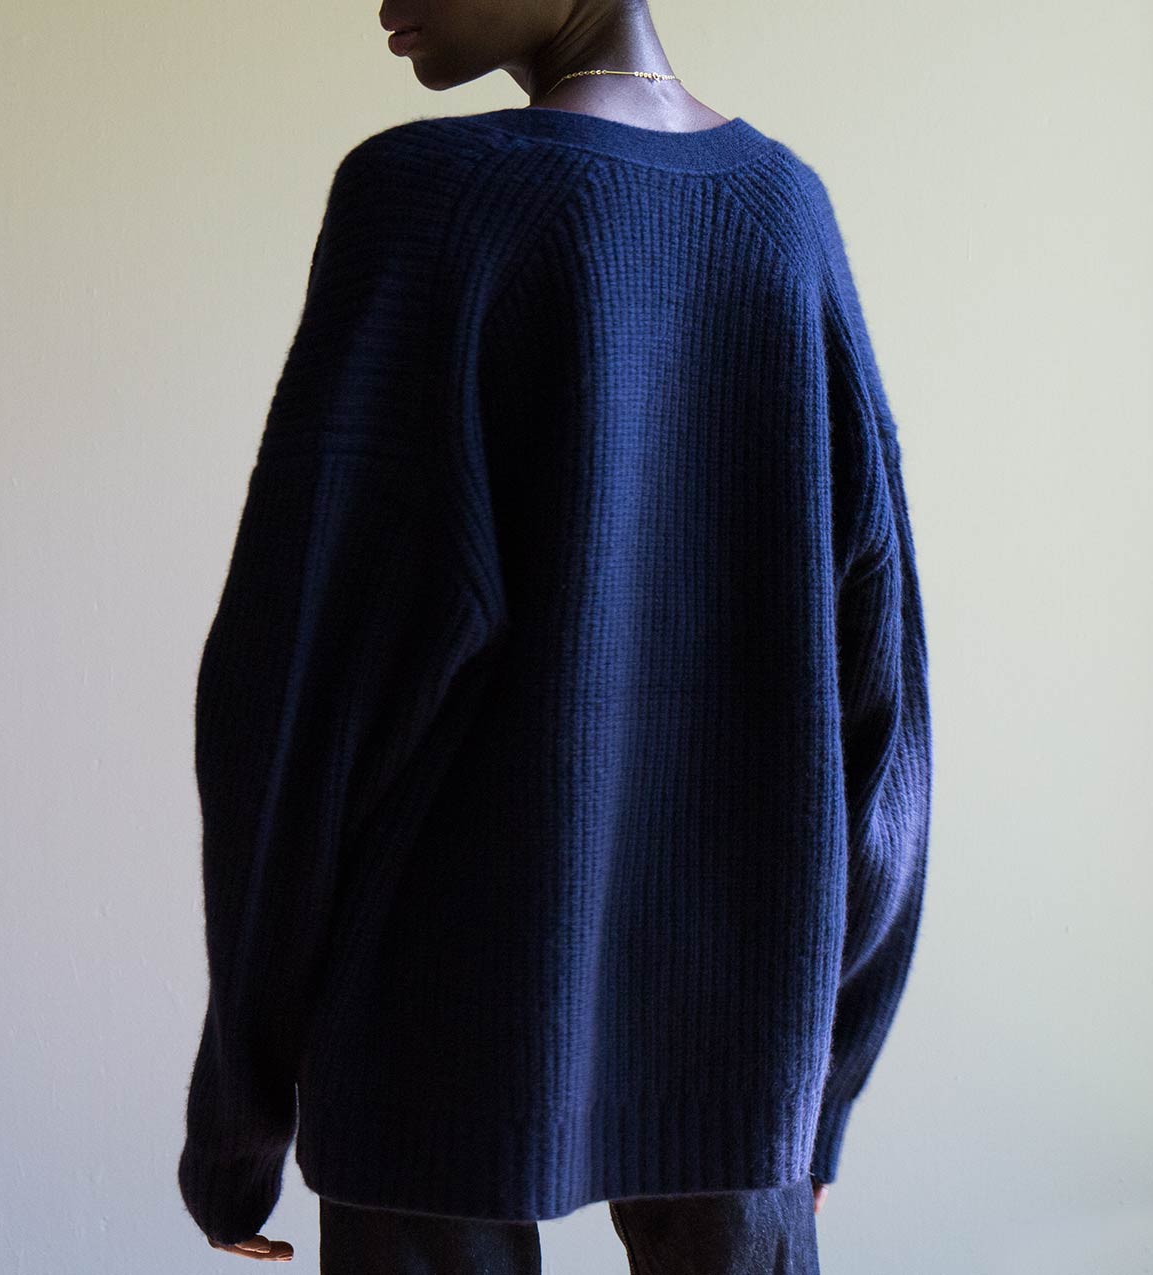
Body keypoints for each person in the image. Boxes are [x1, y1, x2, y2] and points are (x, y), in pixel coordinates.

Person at [177, 0, 934, 1269]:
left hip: (430, 1017)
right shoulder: (781, 212)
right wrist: (821, 1090)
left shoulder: (430, 198)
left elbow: (297, 691)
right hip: (745, 1035)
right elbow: (882, 705)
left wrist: (239, 1108)